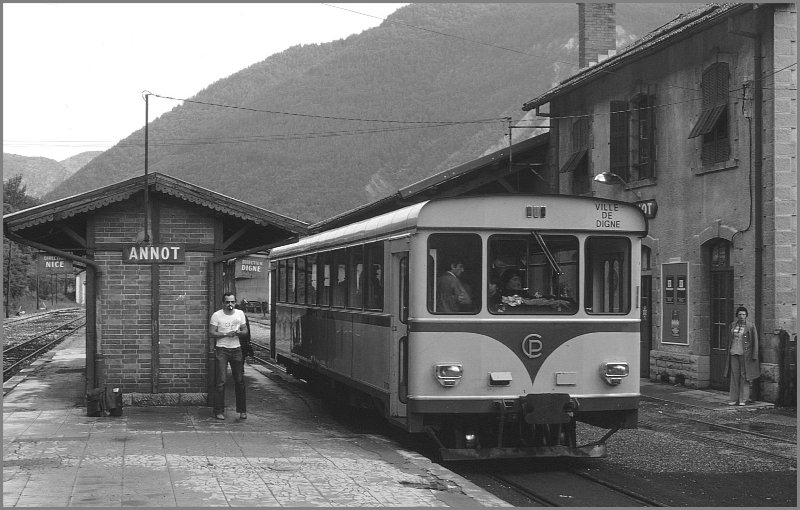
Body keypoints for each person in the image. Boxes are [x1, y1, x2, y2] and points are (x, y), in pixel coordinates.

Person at [209, 292, 249, 420]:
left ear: (235, 302)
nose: (230, 304)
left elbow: (245, 331)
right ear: (223, 303)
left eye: (232, 301)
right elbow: (211, 333)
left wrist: (238, 333)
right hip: (222, 349)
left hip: (236, 349)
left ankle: (242, 410)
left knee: (240, 380)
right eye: (227, 302)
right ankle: (218, 411)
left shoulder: (240, 314)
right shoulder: (217, 315)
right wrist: (226, 334)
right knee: (221, 381)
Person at [724, 306, 760, 406]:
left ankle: (743, 399)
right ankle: (733, 398)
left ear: (746, 315)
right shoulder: (732, 325)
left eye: (744, 314)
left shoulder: (751, 326)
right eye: (740, 314)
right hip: (733, 353)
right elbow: (729, 339)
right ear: (737, 315)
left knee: (744, 376)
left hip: (745, 355)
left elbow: (755, 342)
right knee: (734, 375)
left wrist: (754, 355)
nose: (742, 316)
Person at [500, 270, 571, 310]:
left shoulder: (522, 293)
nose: (518, 283)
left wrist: (552, 300)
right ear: (506, 282)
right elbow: (529, 302)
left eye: (519, 280)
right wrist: (552, 302)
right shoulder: (505, 296)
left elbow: (531, 299)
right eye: (515, 280)